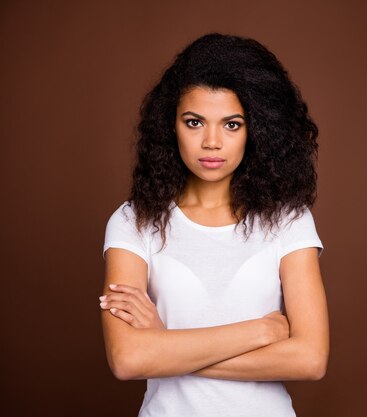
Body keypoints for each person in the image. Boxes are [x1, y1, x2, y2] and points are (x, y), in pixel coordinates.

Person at [99, 33, 329, 417]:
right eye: (194, 122)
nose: (211, 141)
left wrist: (166, 346)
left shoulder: (289, 220)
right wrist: (258, 332)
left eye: (232, 125)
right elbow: (128, 359)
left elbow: (310, 358)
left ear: (257, 130)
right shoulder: (132, 221)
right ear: (170, 125)